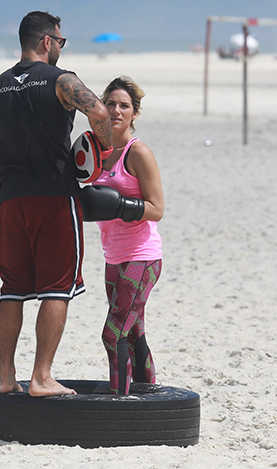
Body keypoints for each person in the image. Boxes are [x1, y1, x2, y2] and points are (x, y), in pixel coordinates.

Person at [0, 11, 114, 397]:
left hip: (11, 201)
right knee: (57, 288)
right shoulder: (61, 81)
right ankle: (41, 377)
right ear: (46, 41)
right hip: (54, 198)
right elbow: (99, 112)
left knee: (13, 288)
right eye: (61, 40)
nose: (60, 46)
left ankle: (6, 377)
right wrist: (101, 151)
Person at [92, 76, 164, 395]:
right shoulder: (96, 151)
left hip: (142, 257)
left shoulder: (138, 152)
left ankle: (120, 402)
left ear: (134, 113)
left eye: (124, 106)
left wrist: (121, 204)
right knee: (133, 332)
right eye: (111, 104)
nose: (116, 110)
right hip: (113, 257)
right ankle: (147, 397)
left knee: (113, 334)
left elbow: (157, 208)